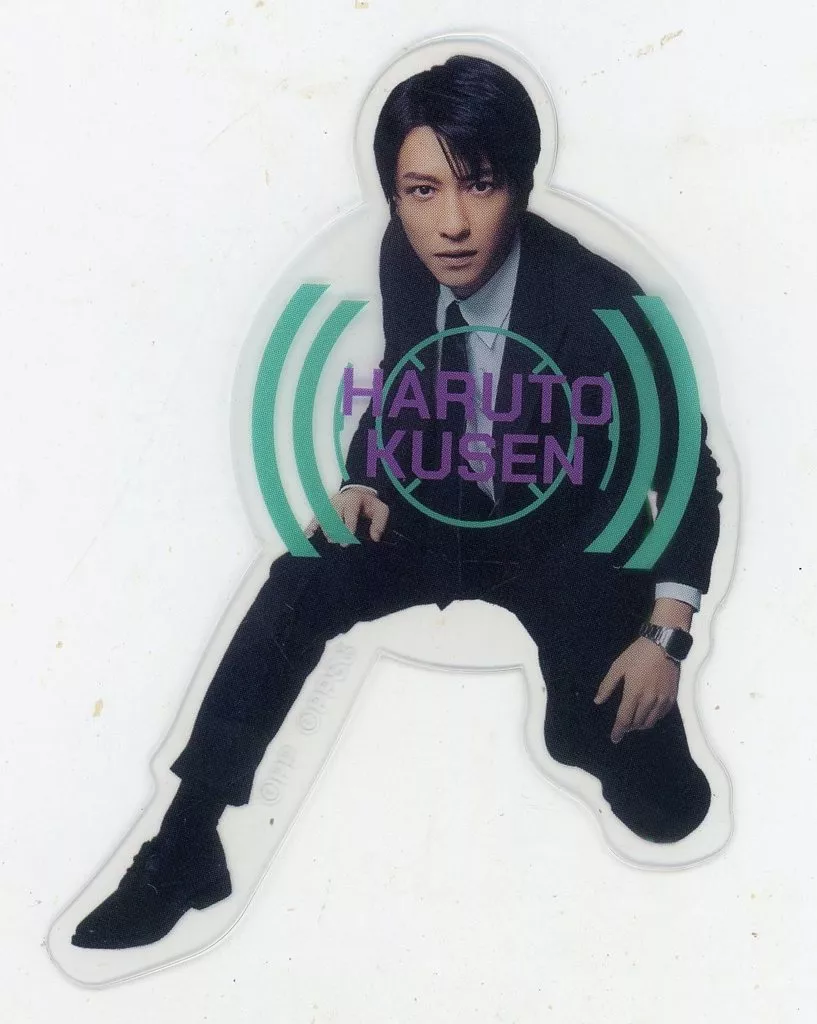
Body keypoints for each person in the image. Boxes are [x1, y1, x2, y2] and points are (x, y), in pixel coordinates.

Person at [72, 54, 720, 950]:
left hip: (567, 542)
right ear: (393, 193)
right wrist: (363, 477)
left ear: (521, 184)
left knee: (666, 811)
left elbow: (685, 470)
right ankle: (185, 847)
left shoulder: (604, 304)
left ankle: (586, 730)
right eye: (420, 191)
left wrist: (663, 635)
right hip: (437, 513)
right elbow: (403, 378)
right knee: (301, 576)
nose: (449, 225)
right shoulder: (404, 253)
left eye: (479, 185)